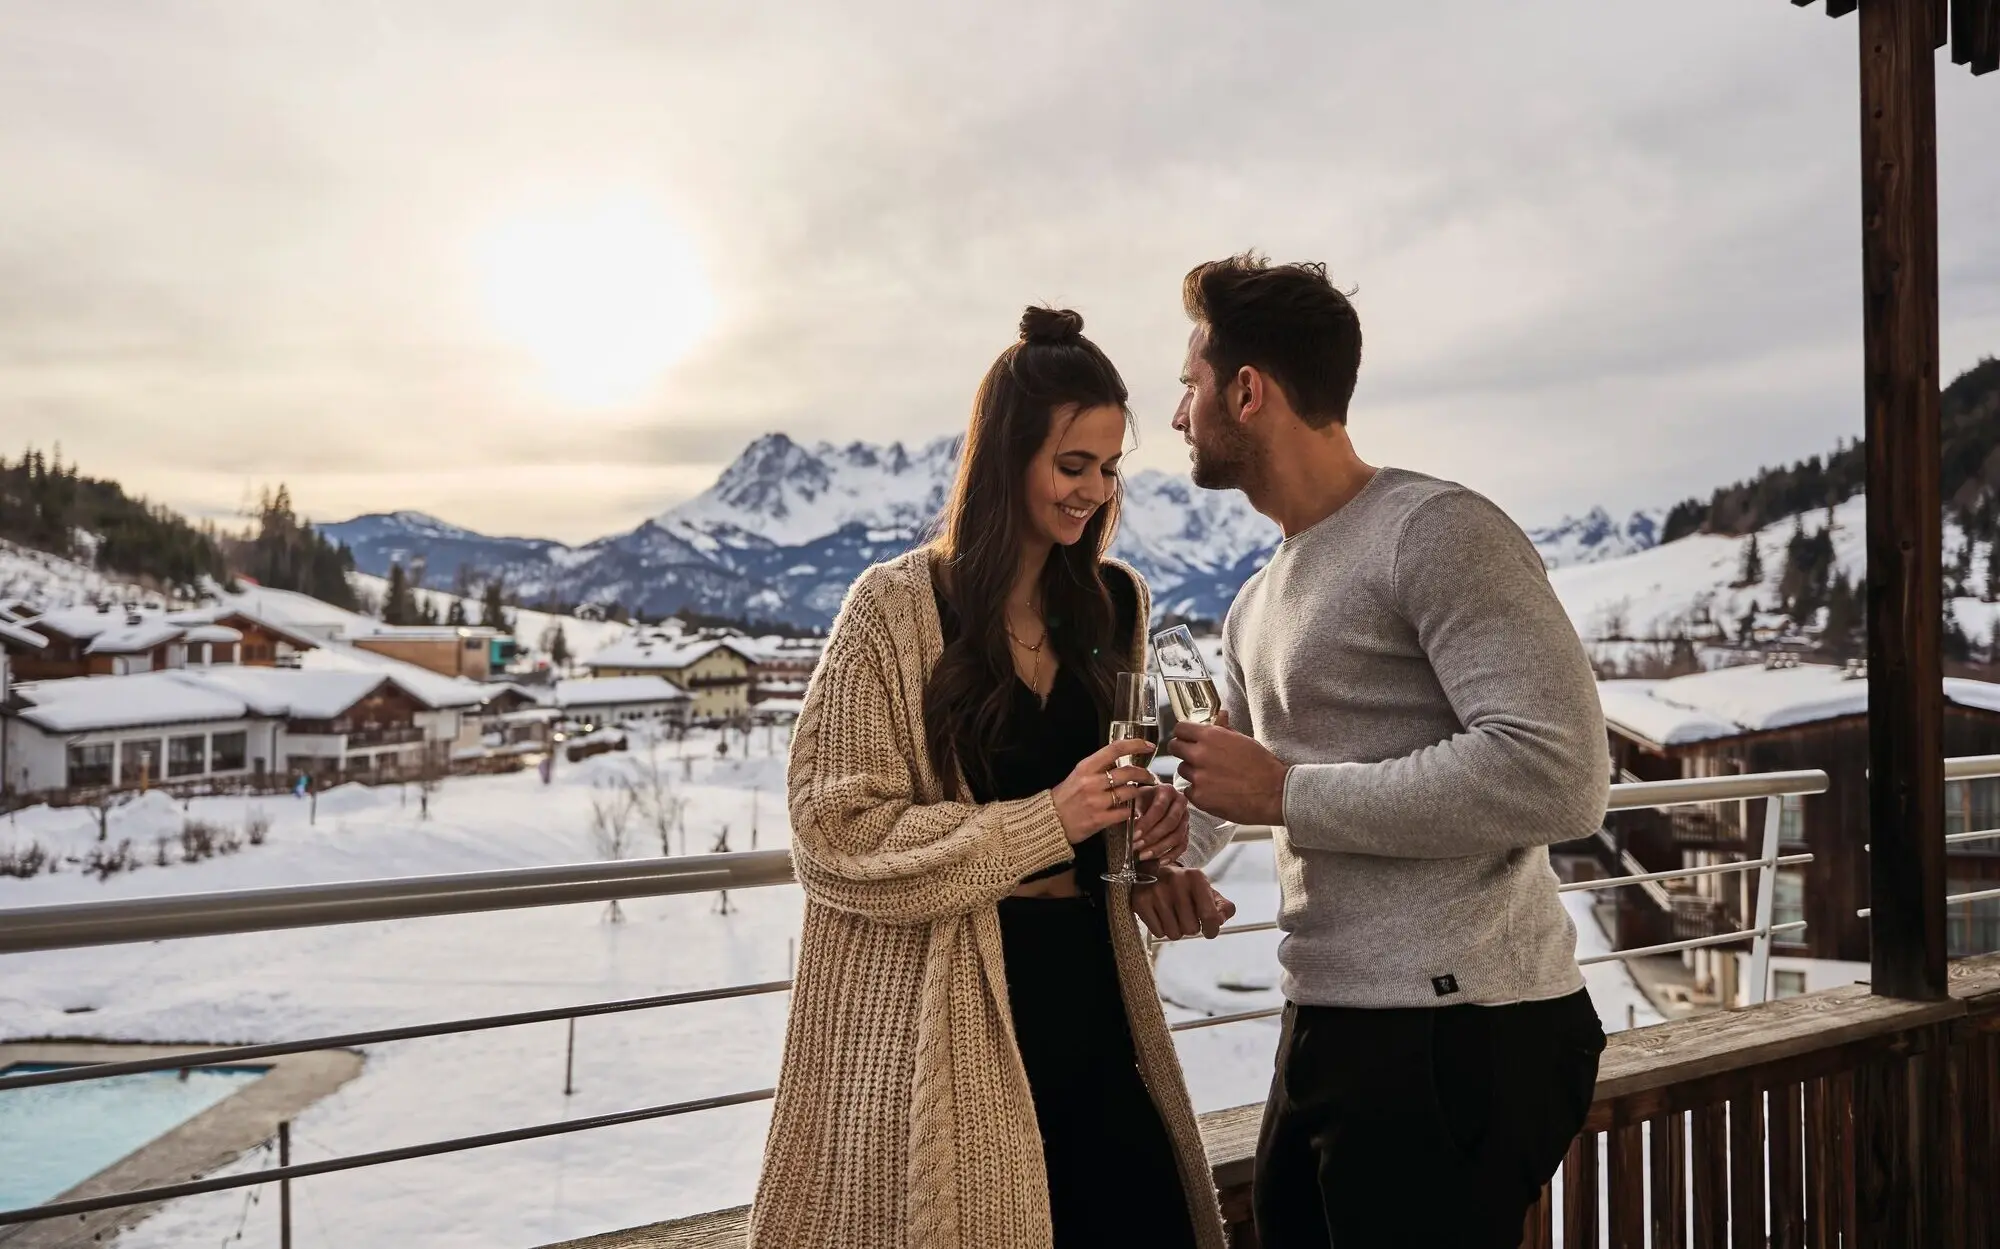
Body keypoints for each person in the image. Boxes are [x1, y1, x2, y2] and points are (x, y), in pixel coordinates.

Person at [750, 307, 1237, 1249]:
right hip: (956, 1008)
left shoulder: (1116, 601)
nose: (1094, 491)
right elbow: (832, 832)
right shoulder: (893, 609)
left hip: (1096, 998)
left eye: (1108, 467)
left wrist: (1146, 860)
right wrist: (1047, 819)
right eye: (1071, 465)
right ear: (1005, 456)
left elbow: (1106, 809)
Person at [1166, 254, 1610, 1248]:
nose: (1177, 414)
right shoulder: (1253, 600)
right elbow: (1226, 785)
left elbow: (1558, 773)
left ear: (1248, 390)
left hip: (1457, 1027)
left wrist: (1286, 794)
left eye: (1188, 386)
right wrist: (1157, 853)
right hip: (1325, 1013)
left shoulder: (1435, 531)